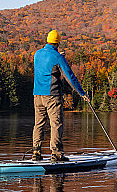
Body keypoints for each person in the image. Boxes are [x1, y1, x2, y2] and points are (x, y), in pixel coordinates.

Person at [32, 30, 89, 162]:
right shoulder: (58, 57)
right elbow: (70, 77)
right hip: (52, 95)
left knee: (39, 124)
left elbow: (47, 62)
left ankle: (36, 152)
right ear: (58, 42)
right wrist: (82, 93)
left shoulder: (37, 54)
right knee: (56, 124)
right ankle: (56, 154)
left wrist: (58, 56)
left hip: (37, 95)